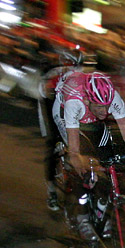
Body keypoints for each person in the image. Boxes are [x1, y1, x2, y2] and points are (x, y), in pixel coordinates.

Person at [52, 71, 125, 240]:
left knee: (107, 160)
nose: (106, 111)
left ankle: (101, 209)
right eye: (101, 106)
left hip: (90, 117)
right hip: (64, 113)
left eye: (108, 106)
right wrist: (83, 169)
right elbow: (74, 152)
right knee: (82, 163)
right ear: (88, 99)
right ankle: (82, 218)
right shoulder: (75, 103)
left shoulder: (111, 99)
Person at [40, 48, 87, 211]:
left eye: (81, 66)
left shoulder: (82, 76)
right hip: (50, 101)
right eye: (76, 66)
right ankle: (52, 191)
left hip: (68, 102)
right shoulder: (55, 78)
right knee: (55, 143)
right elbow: (56, 111)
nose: (79, 70)